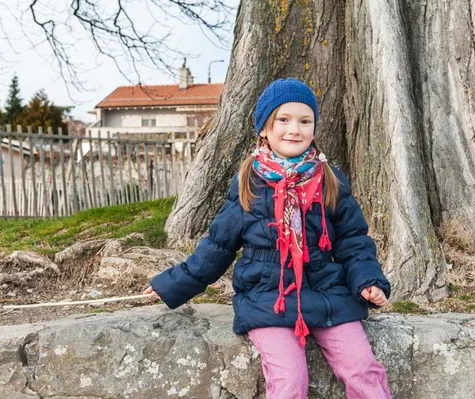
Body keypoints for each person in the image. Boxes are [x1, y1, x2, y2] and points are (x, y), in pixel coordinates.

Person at [145, 78, 392, 399]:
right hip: (267, 299)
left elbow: (353, 240)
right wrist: (172, 284)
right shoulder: (250, 182)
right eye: (283, 120)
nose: (295, 129)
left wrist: (368, 280)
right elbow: (217, 247)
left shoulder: (329, 179)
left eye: (305, 121)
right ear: (264, 128)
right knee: (289, 380)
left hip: (327, 292)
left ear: (314, 128)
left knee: (363, 370)